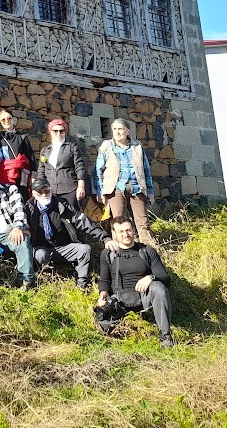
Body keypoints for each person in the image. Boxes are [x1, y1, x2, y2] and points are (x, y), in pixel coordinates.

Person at [26, 177, 119, 291]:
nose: (44, 195)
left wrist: (105, 238)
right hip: (41, 249)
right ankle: (44, 278)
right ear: (34, 194)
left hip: (63, 247)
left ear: (51, 190)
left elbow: (84, 221)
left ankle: (82, 283)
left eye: (47, 191)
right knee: (41, 255)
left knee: (85, 250)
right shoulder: (29, 208)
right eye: (40, 192)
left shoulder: (61, 205)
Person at [96, 216, 174, 347]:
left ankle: (165, 337)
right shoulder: (108, 254)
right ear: (114, 234)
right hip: (119, 300)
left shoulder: (146, 251)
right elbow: (104, 280)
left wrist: (151, 278)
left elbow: (165, 278)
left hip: (144, 298)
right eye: (121, 232)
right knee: (104, 326)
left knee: (158, 287)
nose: (126, 234)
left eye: (128, 230)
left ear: (133, 230)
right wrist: (102, 295)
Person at [95, 118, 156, 245]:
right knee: (119, 221)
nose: (117, 132)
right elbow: (98, 171)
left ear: (127, 131)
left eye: (121, 129)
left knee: (143, 222)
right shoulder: (106, 146)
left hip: (136, 187)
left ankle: (148, 250)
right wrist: (101, 191)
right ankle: (121, 252)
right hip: (115, 188)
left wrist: (150, 191)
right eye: (115, 129)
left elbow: (146, 170)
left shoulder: (137, 146)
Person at [35, 119, 87, 210]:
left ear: (65, 132)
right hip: (50, 191)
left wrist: (81, 187)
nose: (58, 134)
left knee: (72, 219)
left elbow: (80, 167)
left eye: (61, 131)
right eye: (55, 131)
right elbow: (41, 171)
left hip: (69, 189)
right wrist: (40, 188)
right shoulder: (45, 151)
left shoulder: (72, 147)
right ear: (50, 133)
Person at [0, 109, 36, 201]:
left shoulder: (22, 137)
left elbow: (31, 158)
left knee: (22, 201)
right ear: (0, 122)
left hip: (21, 178)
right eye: (3, 120)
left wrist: (33, 177)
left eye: (9, 118)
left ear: (13, 119)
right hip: (3, 176)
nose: (6, 121)